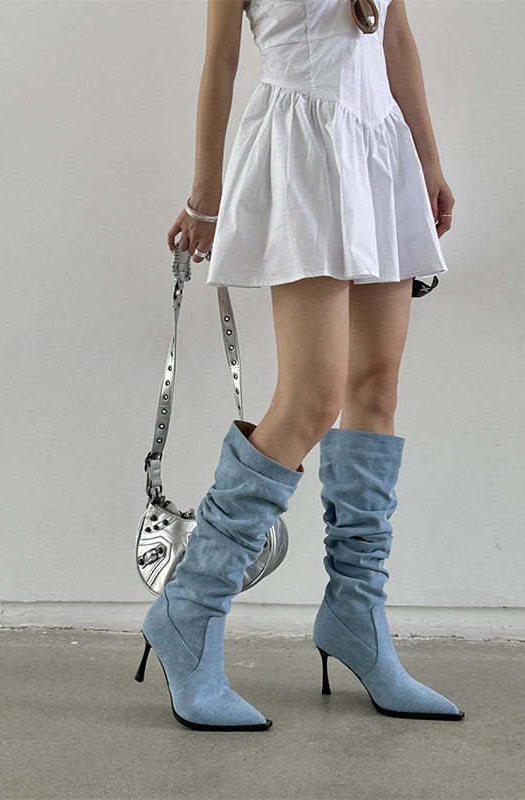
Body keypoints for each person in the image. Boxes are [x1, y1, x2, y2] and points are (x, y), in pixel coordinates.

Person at [135, 0, 463, 731]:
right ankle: (189, 609)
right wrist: (205, 195)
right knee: (312, 398)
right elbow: (221, 59)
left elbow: (395, 35)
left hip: (380, 146)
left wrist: (429, 160)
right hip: (304, 148)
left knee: (376, 388)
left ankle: (356, 614)